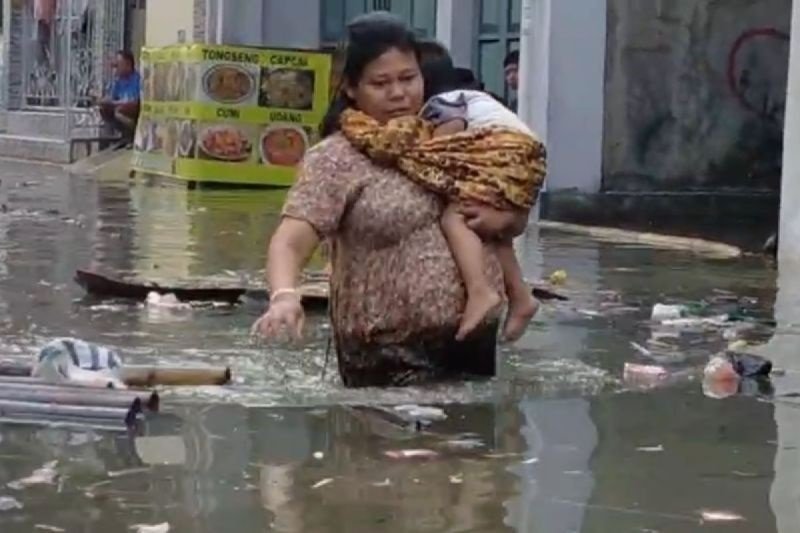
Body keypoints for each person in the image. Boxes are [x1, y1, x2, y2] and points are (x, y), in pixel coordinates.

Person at [252, 13, 530, 388]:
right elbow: (290, 241)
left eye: (408, 78)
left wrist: (507, 221)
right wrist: (285, 296)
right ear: (351, 88)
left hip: (471, 343)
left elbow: (507, 214)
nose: (399, 93)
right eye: (380, 83)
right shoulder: (336, 159)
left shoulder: (453, 140)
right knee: (378, 445)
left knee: (472, 442)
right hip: (383, 352)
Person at [341, 50, 546, 342]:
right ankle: (520, 295)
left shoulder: (443, 105)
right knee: (484, 223)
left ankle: (480, 290)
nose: (399, 93)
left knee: (456, 217)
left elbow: (444, 149)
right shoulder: (473, 99)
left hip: (506, 153)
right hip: (523, 158)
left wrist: (414, 156)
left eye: (408, 79)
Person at [99, 50, 141, 147]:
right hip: (120, 108)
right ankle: (125, 136)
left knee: (119, 112)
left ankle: (134, 134)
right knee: (104, 110)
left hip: (133, 111)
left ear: (128, 64)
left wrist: (116, 104)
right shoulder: (118, 81)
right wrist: (103, 101)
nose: (116, 68)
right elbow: (112, 97)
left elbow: (134, 102)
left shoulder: (137, 79)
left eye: (119, 65)